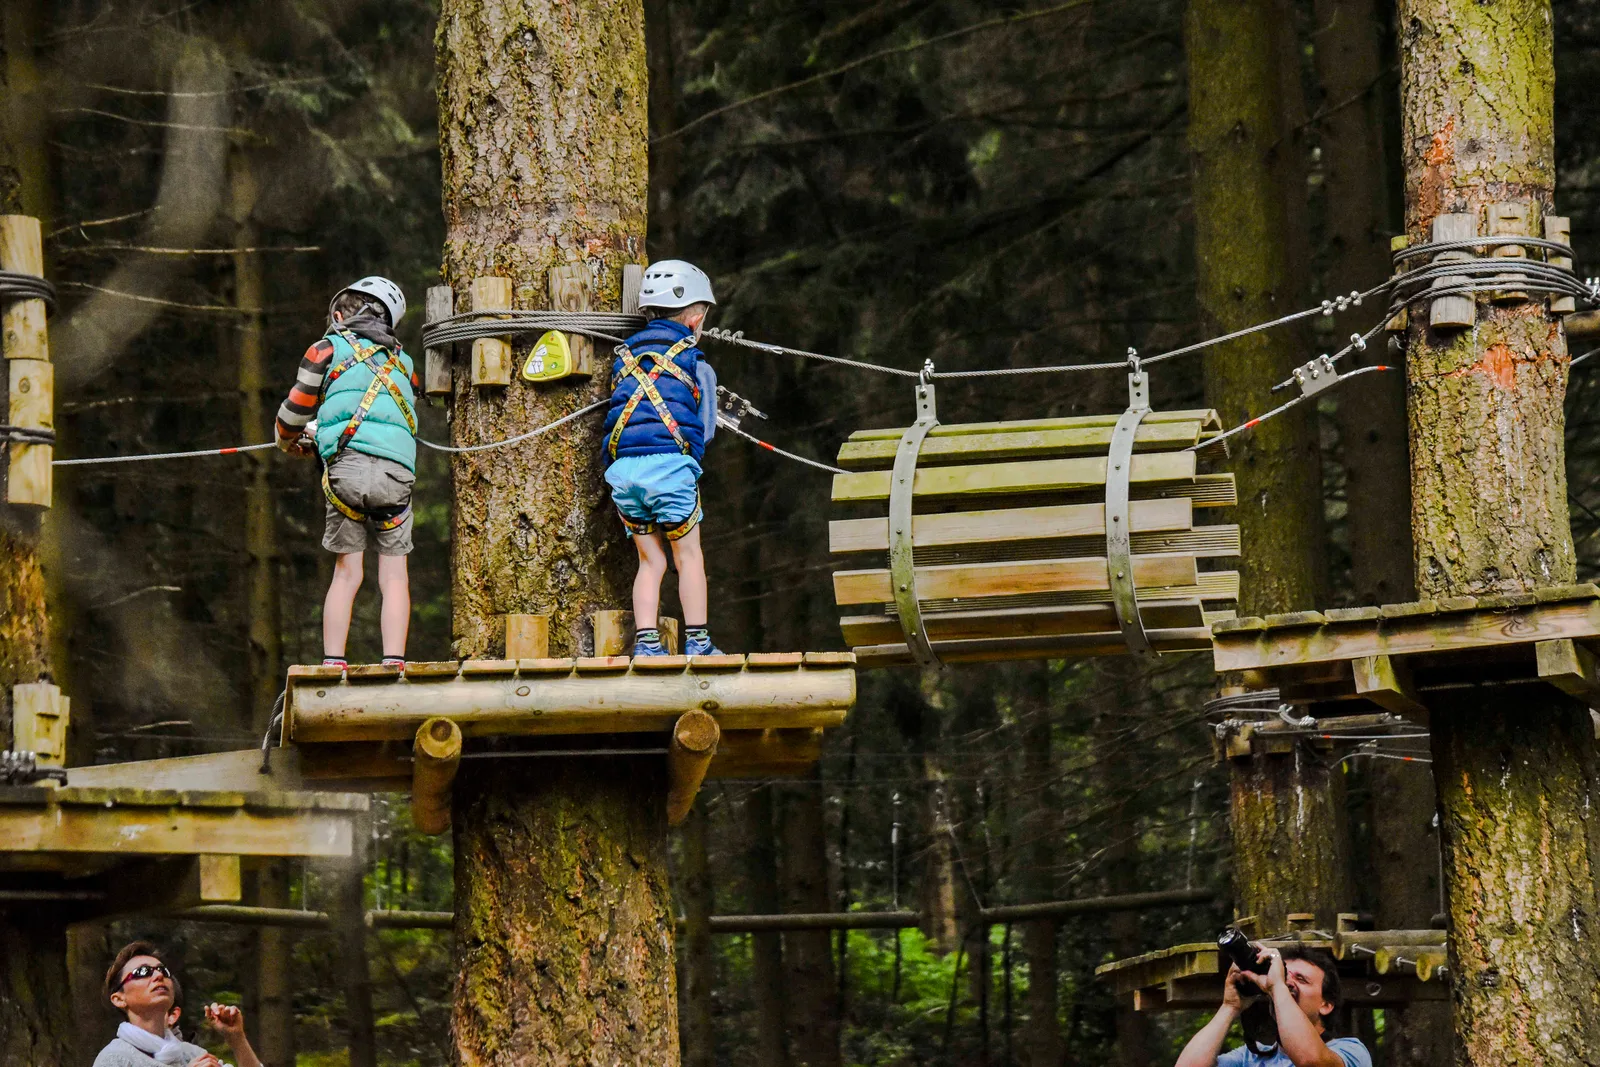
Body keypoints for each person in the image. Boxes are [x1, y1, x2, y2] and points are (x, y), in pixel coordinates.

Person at [276, 277, 418, 670]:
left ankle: (333, 660)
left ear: (339, 316)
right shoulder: (403, 362)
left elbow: (292, 413)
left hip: (348, 474)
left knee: (346, 572)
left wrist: (292, 441)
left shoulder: (326, 348)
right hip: (397, 477)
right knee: (394, 576)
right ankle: (394, 660)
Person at [602, 259, 722, 657]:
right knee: (688, 557)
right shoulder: (695, 361)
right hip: (669, 467)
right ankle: (699, 643)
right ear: (693, 317)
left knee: (650, 561)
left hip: (623, 473)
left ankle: (648, 645)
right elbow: (706, 427)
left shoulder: (624, 356)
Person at [1174, 943, 1372, 1067]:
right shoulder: (1251, 1057)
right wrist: (1230, 1007)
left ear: (1326, 1005)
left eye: (1301, 979)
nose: (1287, 982)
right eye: (1285, 974)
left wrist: (1278, 986)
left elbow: (1311, 1061)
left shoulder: (1351, 1052)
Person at [94, 940, 263, 1067]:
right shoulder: (113, 1059)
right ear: (119, 999)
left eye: (163, 971)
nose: (158, 976)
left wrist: (236, 1039)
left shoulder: (192, 1054)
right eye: (143, 972)